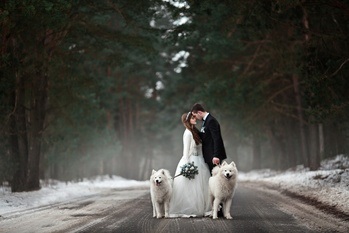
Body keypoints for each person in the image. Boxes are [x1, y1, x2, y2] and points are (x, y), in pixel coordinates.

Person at [169, 112, 211, 217]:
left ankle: (204, 208)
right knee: (192, 187)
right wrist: (187, 166)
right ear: (187, 120)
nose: (195, 118)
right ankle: (191, 209)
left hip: (199, 160)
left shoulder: (194, 131)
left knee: (202, 186)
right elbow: (186, 151)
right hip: (191, 161)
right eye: (192, 118)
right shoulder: (188, 133)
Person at [191, 103, 227, 173]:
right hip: (209, 155)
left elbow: (217, 138)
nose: (196, 118)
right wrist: (193, 129)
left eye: (195, 115)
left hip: (214, 155)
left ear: (199, 112)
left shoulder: (211, 121)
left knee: (216, 178)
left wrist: (216, 155)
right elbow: (205, 136)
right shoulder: (206, 121)